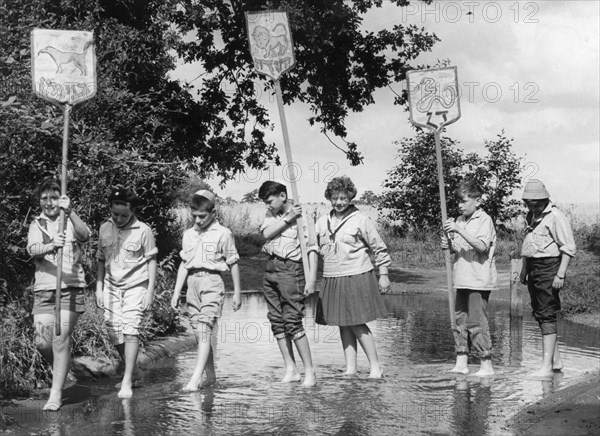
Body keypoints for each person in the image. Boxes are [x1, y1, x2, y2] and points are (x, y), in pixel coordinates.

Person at [310, 176, 390, 378]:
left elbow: (379, 248)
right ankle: (351, 368)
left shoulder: (361, 219)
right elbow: (312, 247)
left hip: (356, 275)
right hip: (332, 277)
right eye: (335, 198)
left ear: (350, 197)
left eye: (343, 198)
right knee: (342, 322)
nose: (338, 202)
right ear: (329, 197)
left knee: (356, 321)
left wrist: (384, 274)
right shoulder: (321, 222)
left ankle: (375, 366)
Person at [28, 178, 91, 411]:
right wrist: (52, 245)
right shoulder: (37, 224)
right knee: (42, 342)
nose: (48, 202)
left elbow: (85, 236)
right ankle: (63, 371)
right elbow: (32, 249)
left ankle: (56, 394)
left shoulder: (69, 219)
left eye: (53, 197)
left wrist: (71, 211)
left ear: (60, 199)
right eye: (44, 198)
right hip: (44, 289)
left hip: (70, 288)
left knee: (60, 339)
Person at [171, 189, 242, 391]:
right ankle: (210, 375)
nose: (198, 220)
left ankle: (195, 379)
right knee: (198, 332)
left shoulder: (224, 233)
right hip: (192, 283)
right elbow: (184, 264)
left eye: (202, 216)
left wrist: (237, 292)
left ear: (213, 213)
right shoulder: (188, 235)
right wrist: (177, 292)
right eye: (194, 216)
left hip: (212, 282)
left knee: (204, 329)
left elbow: (233, 262)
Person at [96, 187, 158, 398]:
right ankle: (134, 371)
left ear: (133, 211)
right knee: (113, 329)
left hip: (136, 286)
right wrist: (99, 287)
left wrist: (150, 291)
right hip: (111, 287)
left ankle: (127, 380)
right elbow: (101, 260)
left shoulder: (143, 230)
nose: (119, 219)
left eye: (124, 215)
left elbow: (151, 261)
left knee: (131, 329)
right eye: (115, 214)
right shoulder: (104, 228)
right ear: (110, 210)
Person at [258, 181, 317, 387]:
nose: (268, 205)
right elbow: (265, 234)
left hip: (292, 269)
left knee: (292, 320)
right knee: (276, 319)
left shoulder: (303, 215)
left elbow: (312, 249)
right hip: (271, 268)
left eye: (270, 201)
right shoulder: (271, 215)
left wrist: (311, 279)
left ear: (282, 196)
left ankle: (310, 372)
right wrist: (286, 219)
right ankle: (291, 369)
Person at [519, 179, 576, 377]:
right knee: (539, 312)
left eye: (535, 202)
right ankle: (556, 361)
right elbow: (530, 244)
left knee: (547, 313)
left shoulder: (555, 216)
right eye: (528, 202)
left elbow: (568, 247)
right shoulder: (531, 216)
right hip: (534, 266)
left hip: (549, 266)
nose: (531, 205)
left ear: (545, 198)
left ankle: (545, 368)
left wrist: (560, 273)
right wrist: (525, 269)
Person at [441, 179, 497, 376]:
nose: (460, 205)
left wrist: (458, 231)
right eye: (458, 201)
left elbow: (482, 247)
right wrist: (448, 243)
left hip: (478, 280)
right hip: (462, 278)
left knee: (476, 321)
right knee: (460, 321)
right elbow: (457, 250)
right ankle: (461, 361)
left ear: (478, 201)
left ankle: (486, 364)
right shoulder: (458, 220)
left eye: (464, 201)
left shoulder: (484, 220)